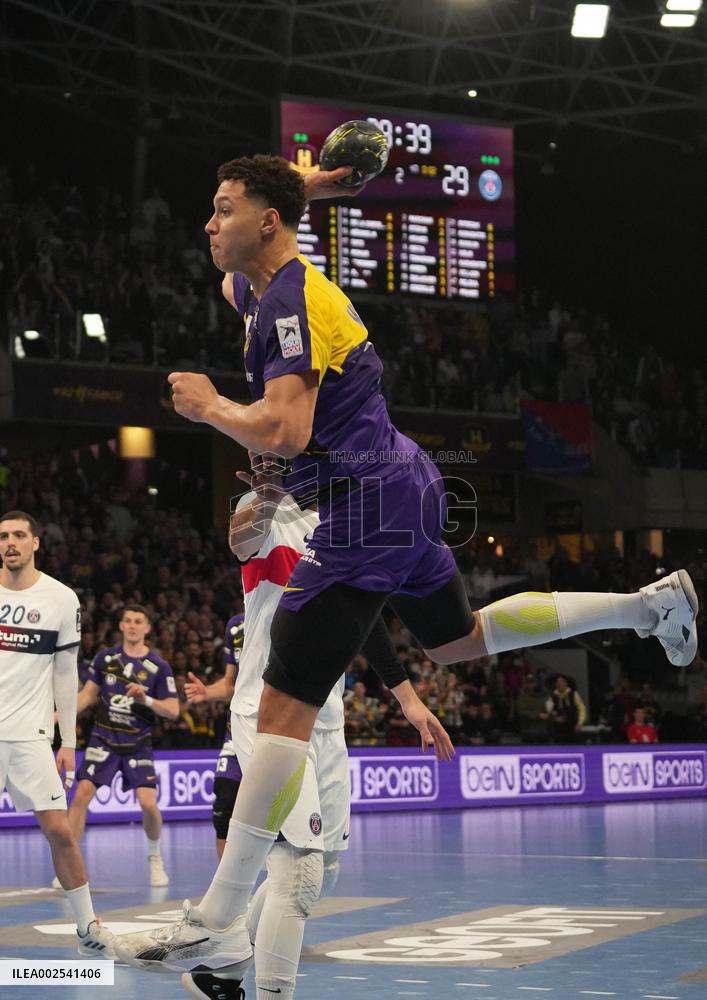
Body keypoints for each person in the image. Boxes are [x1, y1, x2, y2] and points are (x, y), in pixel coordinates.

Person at [116, 155, 699, 974]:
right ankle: (645, 606)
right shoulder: (265, 287)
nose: (208, 225)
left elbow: (281, 432)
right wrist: (301, 191)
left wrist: (208, 404)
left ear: (268, 225)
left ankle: (215, 914)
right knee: (457, 640)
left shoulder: (290, 299)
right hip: (404, 483)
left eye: (222, 210)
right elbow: (230, 283)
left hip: (362, 504)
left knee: (280, 711)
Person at [126, 456, 411, 1000]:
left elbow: (368, 618)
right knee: (297, 873)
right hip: (270, 709)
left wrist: (408, 697)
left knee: (324, 871)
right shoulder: (266, 510)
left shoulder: (347, 526)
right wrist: (266, 493)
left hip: (328, 718)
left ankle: (222, 969)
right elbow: (240, 540)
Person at [0, 510, 116, 956]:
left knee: (61, 832)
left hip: (31, 738)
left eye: (18, 536)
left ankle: (88, 926)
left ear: (35, 544)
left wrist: (67, 742)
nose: (10, 543)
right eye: (4, 536)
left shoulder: (62, 599)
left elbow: (65, 676)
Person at [63, 604, 179, 887]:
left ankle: (154, 858)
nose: (132, 625)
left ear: (147, 628)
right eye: (127, 621)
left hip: (138, 743)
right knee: (82, 794)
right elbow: (88, 696)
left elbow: (173, 711)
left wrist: (146, 701)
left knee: (148, 804)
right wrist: (60, 715)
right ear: (121, 626)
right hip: (103, 738)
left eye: (138, 621)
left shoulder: (158, 667)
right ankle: (68, 863)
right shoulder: (106, 658)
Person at [185, 613, 244, 859]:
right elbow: (230, 683)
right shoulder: (236, 626)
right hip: (238, 730)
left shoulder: (288, 612)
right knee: (223, 807)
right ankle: (229, 894)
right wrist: (207, 692)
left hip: (274, 729)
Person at [550, 675, 587, 743]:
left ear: (566, 683)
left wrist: (580, 723)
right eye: (558, 682)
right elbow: (549, 711)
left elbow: (582, 709)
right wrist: (554, 718)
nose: (560, 684)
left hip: (572, 727)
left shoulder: (573, 694)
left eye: (562, 682)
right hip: (558, 729)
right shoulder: (552, 696)